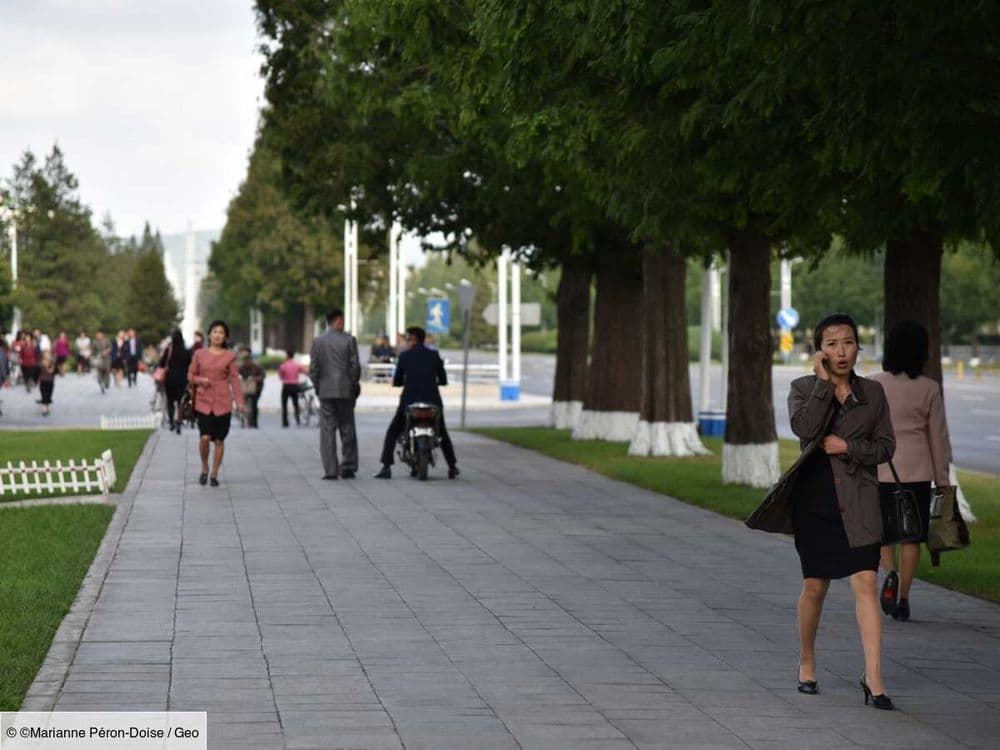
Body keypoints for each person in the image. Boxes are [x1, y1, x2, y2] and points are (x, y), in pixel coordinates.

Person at [787, 313, 895, 709]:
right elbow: (805, 430)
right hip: (815, 502)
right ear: (820, 350)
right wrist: (823, 385)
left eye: (848, 342)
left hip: (861, 501)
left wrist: (849, 448)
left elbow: (886, 447)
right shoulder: (802, 387)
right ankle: (807, 659)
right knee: (816, 586)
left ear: (858, 347)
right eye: (832, 344)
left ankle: (875, 679)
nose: (841, 351)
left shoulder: (873, 394)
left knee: (866, 582)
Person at [871, 321, 951, 622]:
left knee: (885, 534)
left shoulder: (875, 383)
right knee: (911, 537)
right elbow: (938, 438)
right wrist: (942, 480)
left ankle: (889, 575)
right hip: (918, 472)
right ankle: (903, 597)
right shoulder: (929, 388)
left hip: (882, 469)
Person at [374, 326, 459, 480]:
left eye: (407, 339)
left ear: (413, 340)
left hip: (410, 401)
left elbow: (397, 380)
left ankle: (386, 466)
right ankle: (452, 466)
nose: (406, 342)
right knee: (442, 433)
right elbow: (444, 379)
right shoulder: (434, 355)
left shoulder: (405, 356)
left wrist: (400, 382)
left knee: (393, 431)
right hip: (433, 401)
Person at [188, 321, 244, 487]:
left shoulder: (229, 356)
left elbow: (234, 380)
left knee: (219, 440)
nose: (217, 335)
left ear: (225, 336)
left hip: (222, 402)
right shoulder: (199, 354)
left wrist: (239, 402)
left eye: (221, 332)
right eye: (214, 332)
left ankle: (214, 473)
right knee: (205, 437)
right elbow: (190, 375)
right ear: (209, 334)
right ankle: (204, 468)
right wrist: (200, 380)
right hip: (203, 401)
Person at [309, 310, 361, 479]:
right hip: (345, 390)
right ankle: (348, 466)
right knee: (347, 428)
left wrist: (318, 387)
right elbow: (355, 367)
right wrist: (353, 384)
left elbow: (314, 369)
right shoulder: (349, 340)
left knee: (327, 431)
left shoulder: (317, 342)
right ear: (338, 321)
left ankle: (330, 471)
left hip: (325, 391)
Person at [159, 329, 191, 434]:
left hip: (170, 379)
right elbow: (189, 365)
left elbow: (161, 363)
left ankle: (172, 421)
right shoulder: (186, 351)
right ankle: (179, 421)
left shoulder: (169, 350)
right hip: (182, 379)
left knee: (170, 401)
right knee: (180, 401)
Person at [279, 350, 308, 427]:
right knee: (295, 404)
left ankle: (285, 422)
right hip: (295, 386)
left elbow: (281, 376)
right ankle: (298, 419)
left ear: (287, 356)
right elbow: (306, 372)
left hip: (286, 386)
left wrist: (285, 378)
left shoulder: (283, 365)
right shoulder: (297, 365)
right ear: (293, 356)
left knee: (284, 404)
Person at [238, 346, 265, 429]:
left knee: (254, 404)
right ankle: (243, 420)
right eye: (245, 361)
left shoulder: (257, 367)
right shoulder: (241, 367)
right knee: (244, 404)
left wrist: (254, 379)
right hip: (245, 388)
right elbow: (235, 375)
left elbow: (262, 376)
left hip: (256, 389)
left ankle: (254, 422)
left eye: (247, 360)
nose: (246, 362)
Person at [38, 351, 56, 416]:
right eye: (46, 355)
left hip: (50, 381)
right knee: (43, 394)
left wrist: (51, 368)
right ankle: (44, 409)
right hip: (43, 381)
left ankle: (47, 406)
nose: (47, 356)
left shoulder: (52, 363)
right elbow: (37, 372)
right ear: (43, 356)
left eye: (48, 355)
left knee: (48, 395)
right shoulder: (40, 363)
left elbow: (54, 371)